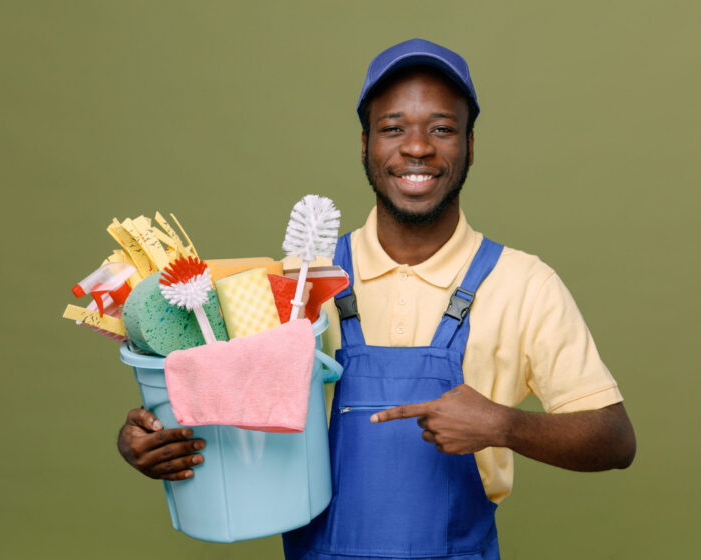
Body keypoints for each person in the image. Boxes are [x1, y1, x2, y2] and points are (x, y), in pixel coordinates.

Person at [117, 38, 636, 559]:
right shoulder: (299, 287)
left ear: (470, 145)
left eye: (442, 128)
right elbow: (228, 408)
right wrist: (152, 437)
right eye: (393, 128)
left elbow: (615, 439)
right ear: (364, 145)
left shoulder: (524, 284)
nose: (417, 147)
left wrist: (504, 425)